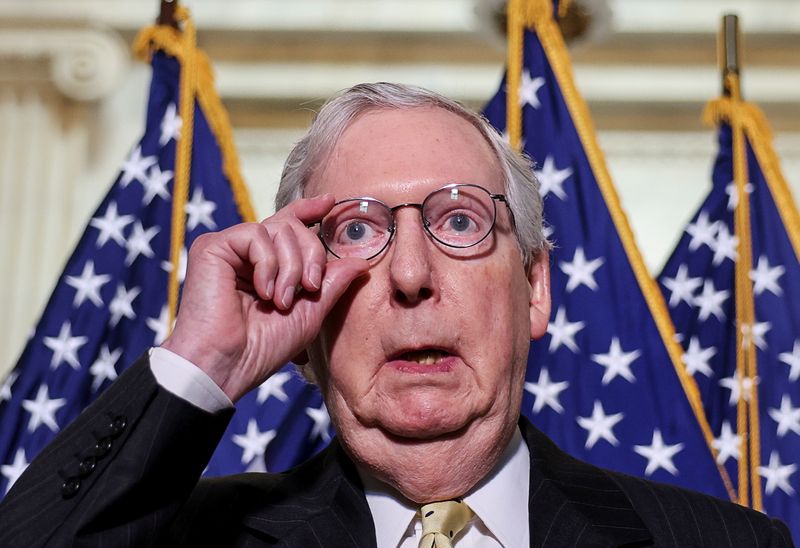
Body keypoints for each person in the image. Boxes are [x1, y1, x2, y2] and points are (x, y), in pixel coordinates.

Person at [0, 83, 792, 548]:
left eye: (457, 222)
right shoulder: (186, 539)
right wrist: (200, 363)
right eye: (358, 232)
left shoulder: (723, 543)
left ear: (536, 289)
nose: (411, 275)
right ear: (305, 308)